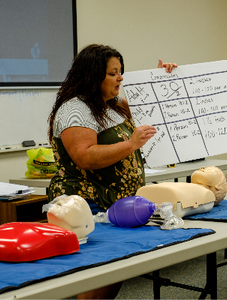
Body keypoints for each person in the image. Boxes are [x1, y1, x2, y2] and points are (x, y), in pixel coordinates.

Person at [44, 44, 175, 299]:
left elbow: (150, 108)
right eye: (113, 73)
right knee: (96, 278)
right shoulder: (75, 109)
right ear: (93, 76)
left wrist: (159, 80)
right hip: (87, 207)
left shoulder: (112, 106)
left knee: (114, 273)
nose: (120, 78)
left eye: (120, 71)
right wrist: (131, 144)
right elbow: (85, 157)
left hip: (114, 206)